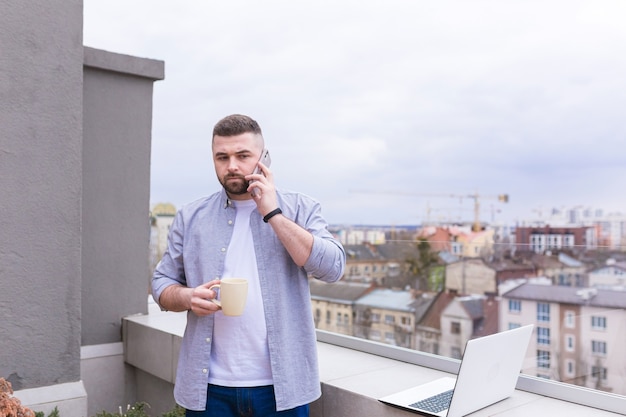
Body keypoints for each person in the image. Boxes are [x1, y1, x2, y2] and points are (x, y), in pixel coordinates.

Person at [152, 114, 346, 417]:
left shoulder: (300, 208)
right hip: (209, 389)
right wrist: (188, 298)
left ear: (263, 158)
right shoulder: (191, 217)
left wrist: (273, 213)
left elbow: (333, 268)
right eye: (222, 157)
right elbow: (161, 283)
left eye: (243, 155)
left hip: (282, 389)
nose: (232, 165)